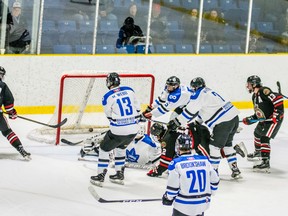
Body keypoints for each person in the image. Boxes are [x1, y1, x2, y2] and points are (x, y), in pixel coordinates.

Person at [167, 77, 242, 179]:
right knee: (227, 145)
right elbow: (204, 112)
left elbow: (189, 112)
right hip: (234, 118)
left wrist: (176, 122)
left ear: (194, 87)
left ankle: (213, 173)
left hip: (223, 122)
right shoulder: (208, 91)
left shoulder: (199, 95)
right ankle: (235, 169)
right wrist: (196, 123)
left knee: (214, 147)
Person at [90, 72, 141, 187]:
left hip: (119, 129)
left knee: (103, 149)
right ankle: (119, 174)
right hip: (134, 128)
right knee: (121, 148)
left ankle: (100, 176)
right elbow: (137, 108)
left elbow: (109, 116)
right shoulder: (129, 90)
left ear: (108, 82)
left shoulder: (107, 96)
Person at [143, 76, 192, 177]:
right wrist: (150, 108)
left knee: (177, 126)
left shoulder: (178, 95)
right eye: (168, 86)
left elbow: (164, 109)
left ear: (176, 86)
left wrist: (150, 114)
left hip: (191, 109)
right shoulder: (171, 89)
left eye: (171, 86)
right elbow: (161, 99)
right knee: (173, 122)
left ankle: (181, 137)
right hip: (183, 107)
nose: (168, 88)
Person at [162, 134, 220, 216]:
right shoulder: (204, 160)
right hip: (202, 204)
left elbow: (172, 189)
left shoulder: (176, 164)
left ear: (178, 146)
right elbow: (215, 180)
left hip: (183, 206)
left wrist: (168, 197)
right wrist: (211, 192)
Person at [242, 75, 284, 172]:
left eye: (249, 84)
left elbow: (278, 100)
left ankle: (265, 161)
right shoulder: (254, 96)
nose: (247, 86)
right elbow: (259, 114)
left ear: (254, 84)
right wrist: (250, 119)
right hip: (266, 119)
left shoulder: (264, 91)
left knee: (264, 137)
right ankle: (258, 153)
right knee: (257, 133)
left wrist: (277, 115)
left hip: (274, 119)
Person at [0, 66, 31, 160]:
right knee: (7, 132)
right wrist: (11, 112)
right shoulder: (3, 85)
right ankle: (20, 149)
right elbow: (8, 101)